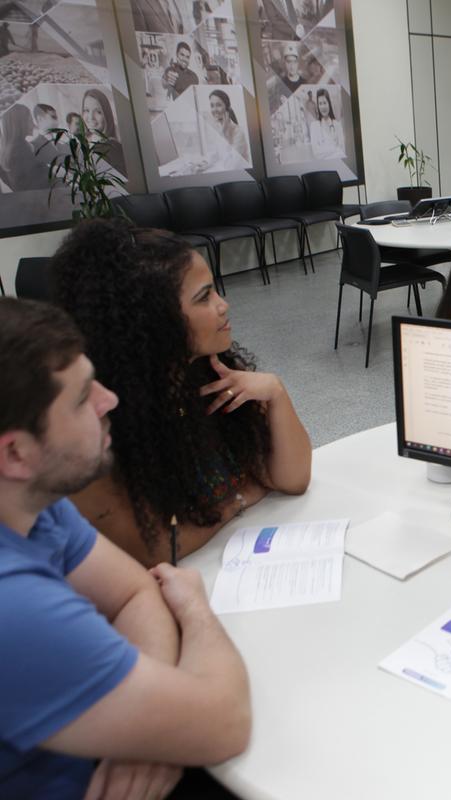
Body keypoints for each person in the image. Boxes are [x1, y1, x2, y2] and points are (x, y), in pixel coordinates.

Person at [0, 297, 250, 797]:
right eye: (79, 400)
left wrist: (148, 733)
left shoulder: (31, 501)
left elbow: (135, 592)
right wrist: (196, 608)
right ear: (15, 452)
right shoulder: (13, 608)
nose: (109, 399)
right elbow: (226, 720)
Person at [50, 219, 312, 568]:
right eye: (204, 297)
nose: (223, 305)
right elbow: (156, 548)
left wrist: (276, 393)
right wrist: (240, 496)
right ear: (155, 321)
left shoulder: (213, 373)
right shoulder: (101, 424)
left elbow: (292, 479)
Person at [81, 88, 126, 176]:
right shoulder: (87, 145)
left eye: (98, 112)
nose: (90, 117)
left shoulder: (112, 148)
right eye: (86, 110)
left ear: (106, 115)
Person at [0, 103, 44, 191]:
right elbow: (38, 183)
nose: (34, 124)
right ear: (20, 123)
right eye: (30, 119)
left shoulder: (7, 152)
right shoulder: (20, 151)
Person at [208, 88, 250, 166]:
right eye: (212, 106)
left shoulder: (238, 132)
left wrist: (224, 135)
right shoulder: (216, 128)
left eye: (218, 105)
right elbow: (213, 156)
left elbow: (231, 165)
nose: (214, 109)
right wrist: (205, 165)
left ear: (227, 108)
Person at [308, 87, 343, 159]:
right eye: (320, 103)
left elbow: (342, 150)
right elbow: (316, 153)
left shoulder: (337, 125)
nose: (323, 106)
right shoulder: (314, 126)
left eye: (325, 103)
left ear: (329, 104)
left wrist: (324, 149)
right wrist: (335, 149)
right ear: (318, 106)